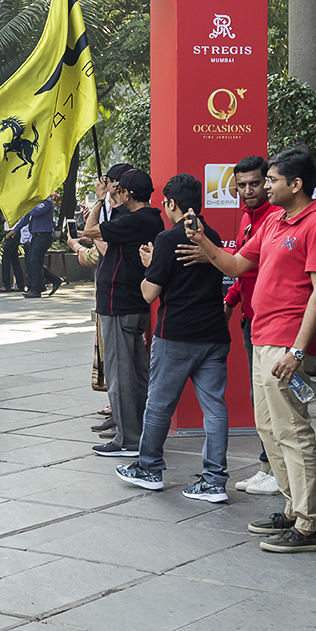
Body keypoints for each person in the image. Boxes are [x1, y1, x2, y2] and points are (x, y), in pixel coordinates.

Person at [184, 147, 316, 554]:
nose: (263, 186)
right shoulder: (273, 223)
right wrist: (202, 241)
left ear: (296, 184)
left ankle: (308, 526)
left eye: (270, 180)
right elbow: (235, 266)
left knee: (292, 431)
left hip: (285, 344)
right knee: (270, 430)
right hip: (260, 337)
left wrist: (299, 351)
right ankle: (291, 511)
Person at [115, 174, 232, 502]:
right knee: (215, 407)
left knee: (159, 404)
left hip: (177, 334)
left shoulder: (167, 239)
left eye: (165, 203)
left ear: (171, 203)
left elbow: (150, 294)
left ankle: (149, 467)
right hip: (213, 333)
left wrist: (149, 266)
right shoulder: (215, 236)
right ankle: (214, 479)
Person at [86, 169, 163, 457]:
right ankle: (137, 431)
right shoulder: (147, 219)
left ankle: (128, 439)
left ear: (127, 192)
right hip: (133, 303)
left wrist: (100, 199)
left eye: (118, 188)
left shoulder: (136, 220)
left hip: (120, 305)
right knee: (137, 372)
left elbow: (90, 229)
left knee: (120, 375)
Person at [223, 154, 283, 496]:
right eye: (242, 185)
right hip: (252, 319)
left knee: (277, 406)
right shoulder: (250, 218)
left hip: (275, 324)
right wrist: (231, 301)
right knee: (259, 399)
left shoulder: (276, 218)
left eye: (256, 183)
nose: (248, 190)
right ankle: (268, 467)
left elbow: (252, 268)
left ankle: (278, 472)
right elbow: (244, 268)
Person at [11, 197, 61, 298]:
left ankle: (36, 290)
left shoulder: (46, 202)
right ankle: (55, 280)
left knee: (35, 262)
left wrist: (28, 204)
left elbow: (35, 212)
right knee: (33, 262)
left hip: (43, 235)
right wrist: (16, 229)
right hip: (35, 235)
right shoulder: (35, 203)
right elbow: (27, 216)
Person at [0, 215, 25, 291]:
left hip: (13, 231)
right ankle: (20, 284)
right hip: (11, 230)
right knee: (14, 259)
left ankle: (6, 284)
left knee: (5, 257)